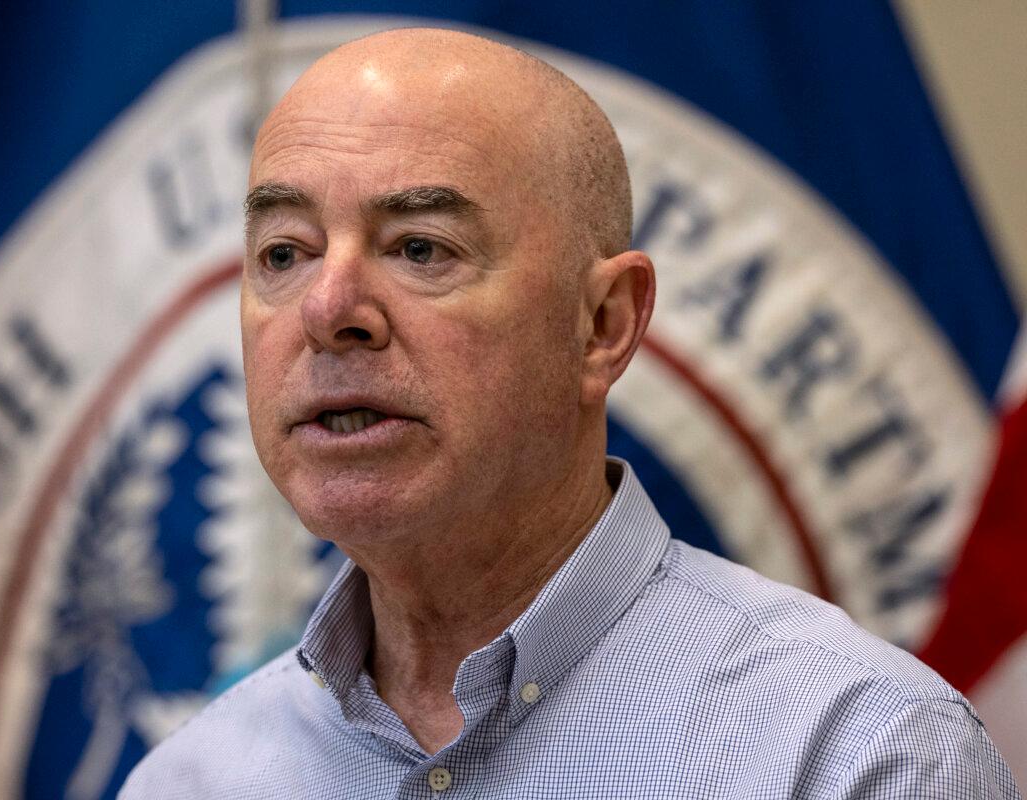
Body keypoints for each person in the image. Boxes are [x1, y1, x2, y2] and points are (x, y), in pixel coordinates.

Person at [121, 28, 1020, 799]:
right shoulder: (192, 779)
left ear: (604, 325)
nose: (327, 309)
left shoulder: (852, 754)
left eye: (420, 247)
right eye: (284, 252)